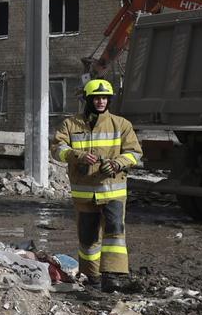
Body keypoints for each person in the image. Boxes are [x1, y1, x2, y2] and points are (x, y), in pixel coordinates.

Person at [51, 78, 143, 293]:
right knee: (88, 236)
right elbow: (57, 149)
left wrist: (117, 163)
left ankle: (113, 276)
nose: (101, 101)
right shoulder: (70, 124)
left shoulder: (121, 124)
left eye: (104, 98)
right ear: (88, 99)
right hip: (84, 193)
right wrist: (77, 155)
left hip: (113, 190)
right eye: (96, 98)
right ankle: (92, 276)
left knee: (114, 233)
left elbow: (134, 153)